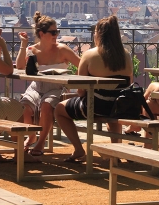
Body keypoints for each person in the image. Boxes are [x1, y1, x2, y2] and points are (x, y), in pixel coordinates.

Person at [54, 16, 133, 162]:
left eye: (95, 31)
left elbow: (81, 91)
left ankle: (78, 149)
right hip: (120, 107)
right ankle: (116, 153)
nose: (93, 34)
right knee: (113, 115)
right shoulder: (126, 56)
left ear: (99, 34)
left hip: (95, 107)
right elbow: (129, 85)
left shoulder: (89, 55)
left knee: (59, 109)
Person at [15, 12, 80, 156]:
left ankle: (40, 143)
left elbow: (82, 65)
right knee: (23, 108)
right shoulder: (32, 50)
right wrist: (23, 44)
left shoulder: (62, 49)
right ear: (41, 33)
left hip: (57, 88)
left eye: (57, 31)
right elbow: (19, 66)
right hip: (36, 87)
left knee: (46, 105)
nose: (56, 35)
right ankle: (31, 136)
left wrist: (73, 78)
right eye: (53, 32)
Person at [0, 13, 39, 163]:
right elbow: (8, 70)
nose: (0, 33)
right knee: (17, 108)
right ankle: (20, 153)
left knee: (3, 106)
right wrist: (4, 47)